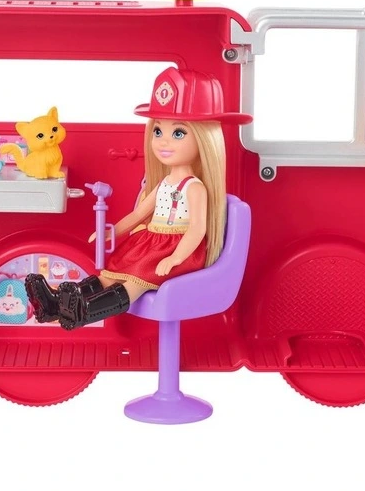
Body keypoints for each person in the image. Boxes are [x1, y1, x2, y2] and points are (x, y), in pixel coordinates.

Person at [25, 66, 251, 330]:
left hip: (176, 249)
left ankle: (83, 312)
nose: (163, 142)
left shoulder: (195, 187)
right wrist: (112, 232)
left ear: (204, 139)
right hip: (151, 245)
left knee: (135, 281)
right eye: (158, 131)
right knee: (110, 276)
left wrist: (175, 258)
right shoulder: (164, 183)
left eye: (178, 133)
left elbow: (197, 229)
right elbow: (138, 215)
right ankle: (55, 304)